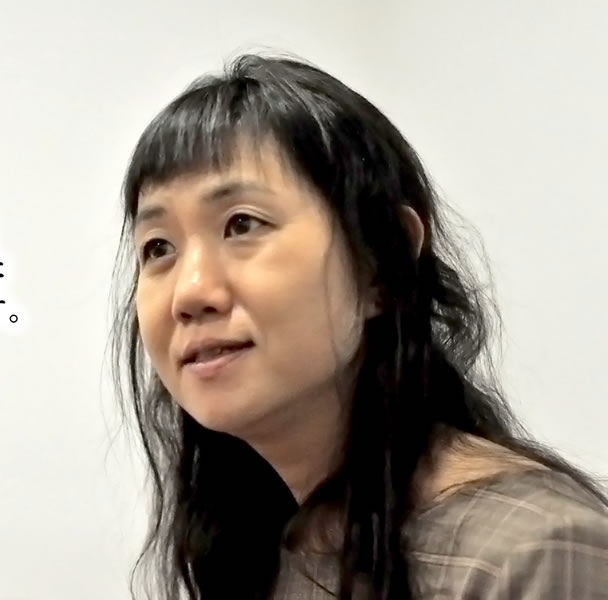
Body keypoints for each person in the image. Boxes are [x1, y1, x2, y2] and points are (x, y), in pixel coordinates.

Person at [109, 52, 608, 599]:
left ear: (380, 264)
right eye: (158, 248)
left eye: (242, 224)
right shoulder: (267, 547)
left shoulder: (534, 553)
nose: (189, 293)